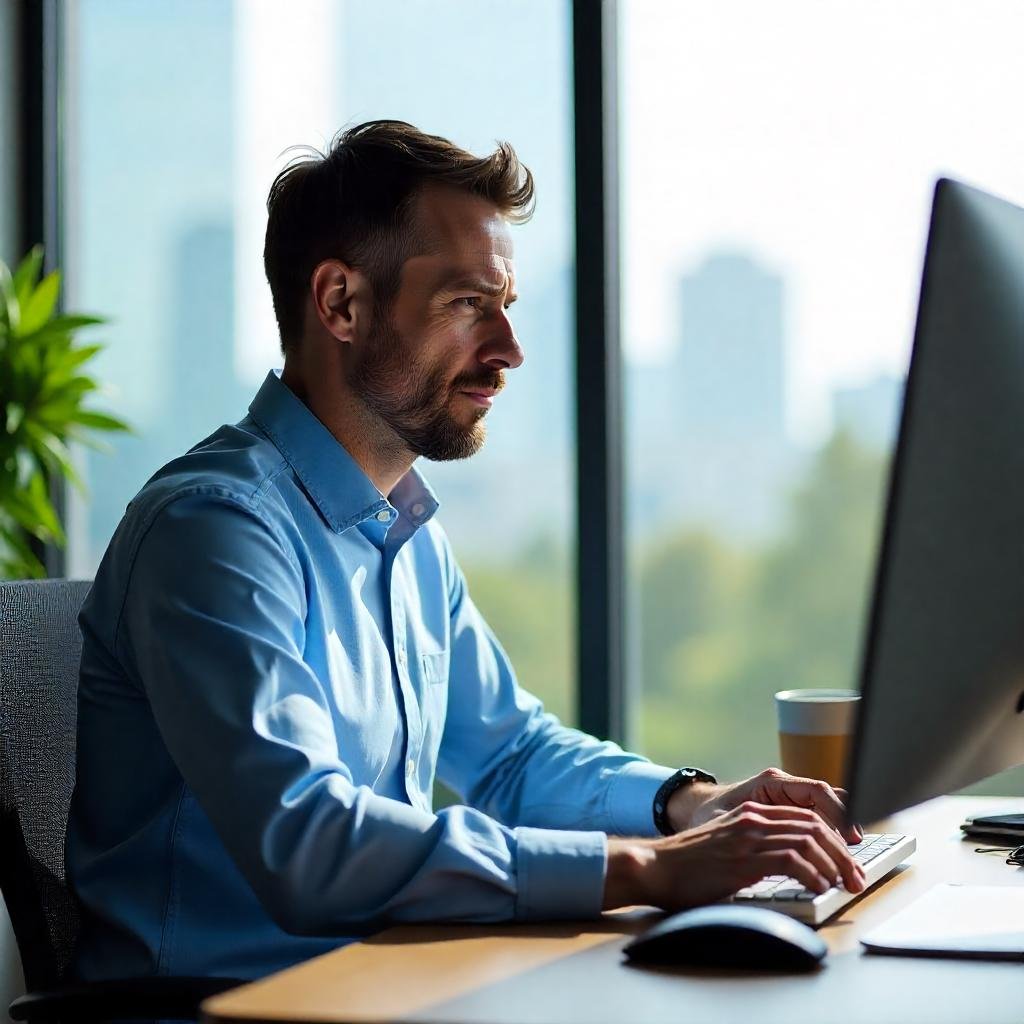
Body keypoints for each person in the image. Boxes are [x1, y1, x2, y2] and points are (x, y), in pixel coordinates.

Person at [67, 120, 865, 983]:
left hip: (380, 988)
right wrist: (646, 869)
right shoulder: (215, 530)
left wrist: (691, 806)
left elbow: (510, 755)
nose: (508, 353)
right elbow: (307, 841)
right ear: (340, 303)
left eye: (506, 309)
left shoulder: (406, 535)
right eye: (465, 305)